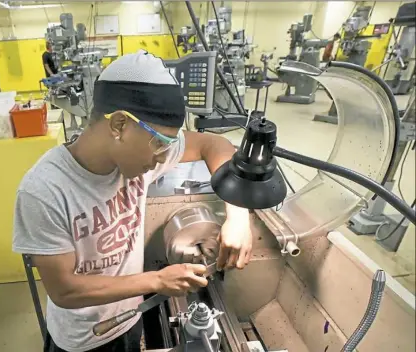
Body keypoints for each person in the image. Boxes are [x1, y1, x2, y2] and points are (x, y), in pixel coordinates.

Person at [13, 50, 253, 352]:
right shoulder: (45, 191)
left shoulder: (136, 158)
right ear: (119, 125)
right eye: (159, 144)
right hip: (82, 340)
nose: (164, 159)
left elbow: (215, 144)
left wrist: (238, 216)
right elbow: (65, 291)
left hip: (129, 319)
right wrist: (156, 281)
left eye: (169, 145)